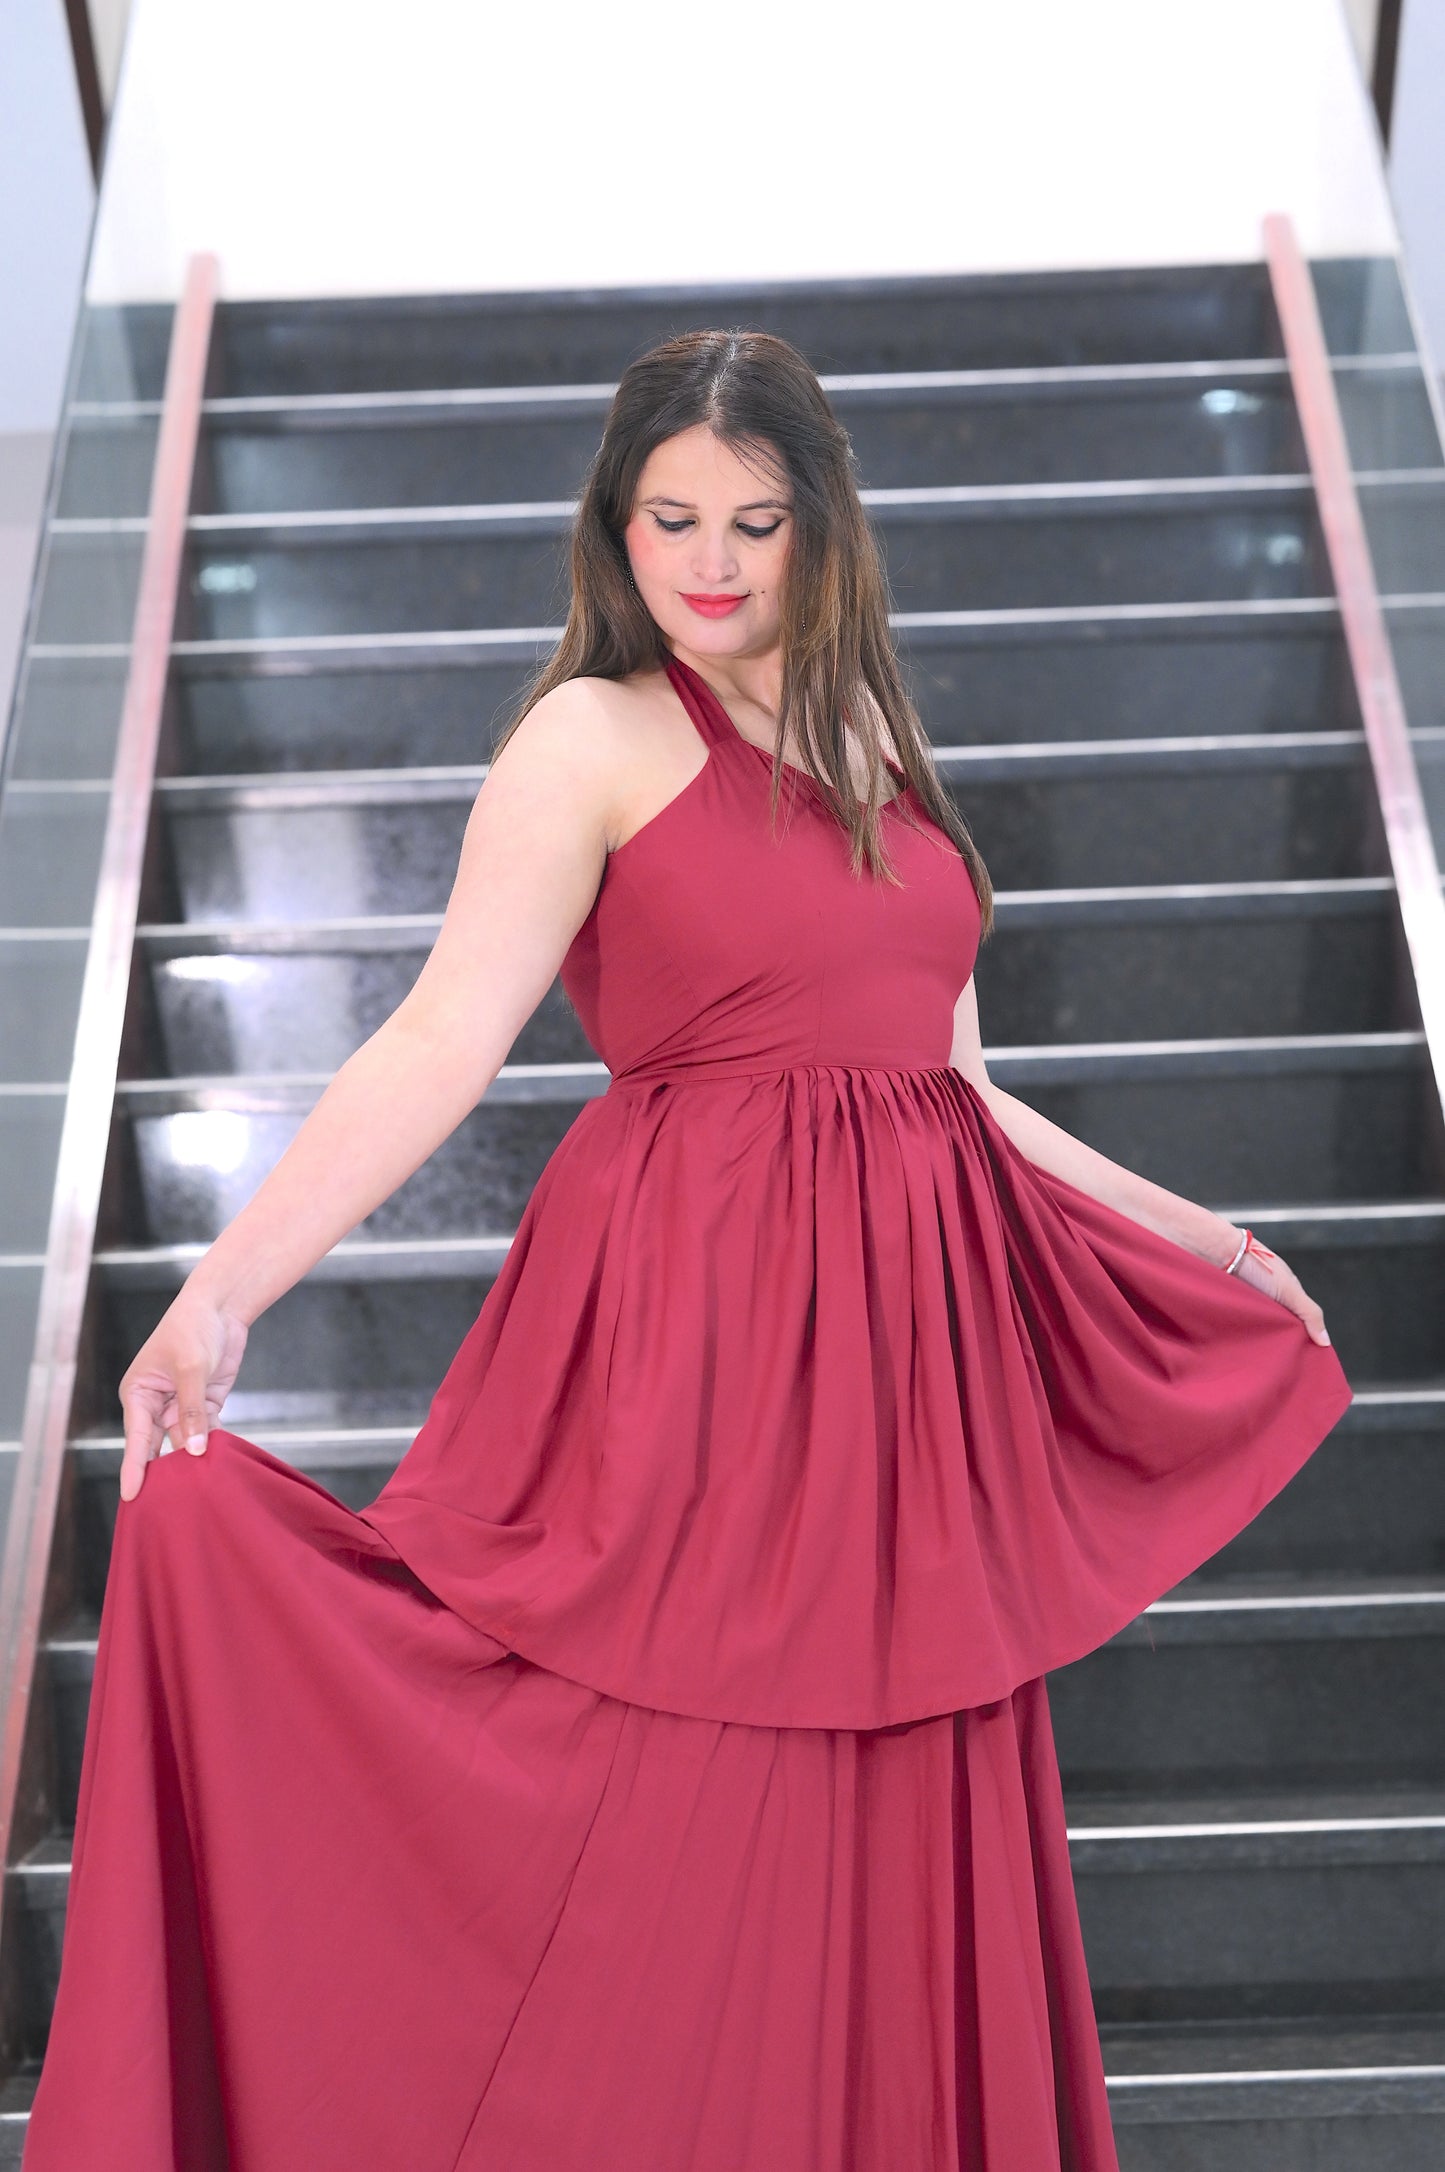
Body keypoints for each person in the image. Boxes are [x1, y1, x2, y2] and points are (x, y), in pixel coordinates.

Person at [26, 329, 1352, 2171]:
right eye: (670, 519)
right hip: (709, 1328)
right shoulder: (592, 733)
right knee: (691, 1790)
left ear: (823, 531)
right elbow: (438, 1037)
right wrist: (222, 1289)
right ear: (615, 524)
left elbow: (958, 1087)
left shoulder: (876, 734)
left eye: (752, 520)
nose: (710, 563)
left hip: (905, 1367)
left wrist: (1202, 1234)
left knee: (876, 1786)